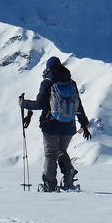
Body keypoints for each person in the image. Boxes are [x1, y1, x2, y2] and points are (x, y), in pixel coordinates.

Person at [19, 56, 92, 192]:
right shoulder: (71, 82)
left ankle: (49, 185)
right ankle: (69, 175)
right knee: (61, 151)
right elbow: (78, 105)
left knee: (51, 154)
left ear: (48, 68)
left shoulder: (47, 82)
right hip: (69, 126)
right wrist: (84, 123)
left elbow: (40, 104)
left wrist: (24, 104)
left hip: (51, 125)